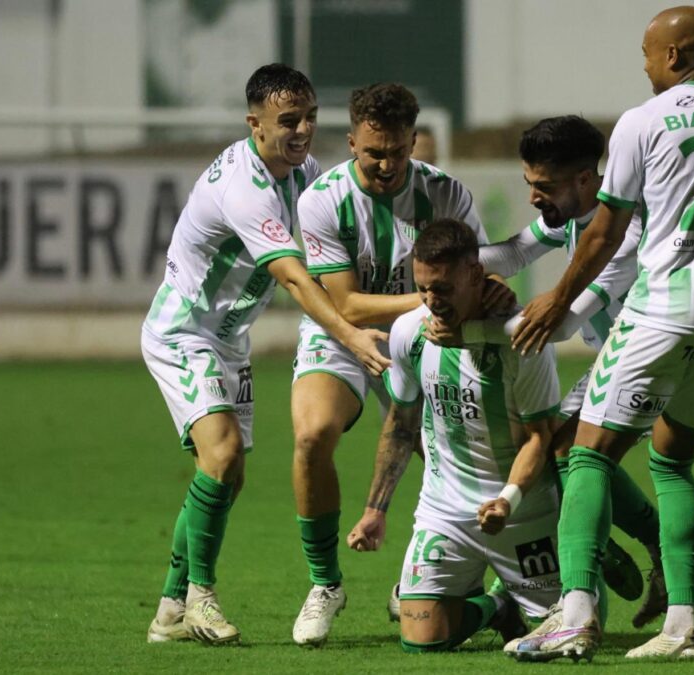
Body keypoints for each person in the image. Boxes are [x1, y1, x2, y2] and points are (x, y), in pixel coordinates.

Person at [506, 6, 694, 661]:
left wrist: (557, 299)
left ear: (671, 54)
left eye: (644, 52)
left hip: (664, 306)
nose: (642, 65)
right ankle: (683, 623)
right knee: (671, 460)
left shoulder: (644, 119)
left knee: (588, 452)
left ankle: (575, 612)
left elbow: (605, 232)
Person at [141, 64, 388, 645]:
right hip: (185, 331)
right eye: (287, 120)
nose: (302, 130)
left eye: (309, 117)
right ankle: (201, 599)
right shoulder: (244, 188)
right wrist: (350, 334)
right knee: (222, 456)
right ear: (253, 123)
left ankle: (170, 610)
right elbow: (296, 279)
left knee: (225, 475)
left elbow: (329, 248)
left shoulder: (303, 171)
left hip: (228, 338)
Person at [432, 115, 694, 623]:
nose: (535, 196)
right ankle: (638, 560)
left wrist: (468, 331)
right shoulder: (573, 217)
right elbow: (515, 252)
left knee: (568, 452)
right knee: (560, 450)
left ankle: (587, 577)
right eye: (529, 185)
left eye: (544, 186)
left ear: (585, 179)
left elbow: (559, 325)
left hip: (653, 360)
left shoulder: (626, 232)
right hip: (622, 356)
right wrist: (462, 271)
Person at [288, 83, 503, 647]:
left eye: (399, 152)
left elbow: (479, 275)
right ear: (352, 140)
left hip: (423, 334)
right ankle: (324, 584)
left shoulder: (447, 194)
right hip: (341, 334)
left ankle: (420, 576)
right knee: (312, 436)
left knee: (453, 455)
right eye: (373, 152)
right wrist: (437, 296)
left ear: (414, 140)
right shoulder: (322, 199)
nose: (386, 165)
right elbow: (347, 304)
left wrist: (480, 294)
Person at [346, 219, 563, 653]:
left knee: (563, 629)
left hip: (522, 512)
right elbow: (402, 423)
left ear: (475, 275)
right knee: (420, 638)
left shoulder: (522, 339)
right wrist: (375, 509)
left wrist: (507, 500)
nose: (431, 301)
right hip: (444, 510)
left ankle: (565, 575)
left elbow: (539, 438)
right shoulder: (411, 331)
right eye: (423, 288)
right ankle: (498, 606)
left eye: (442, 289)